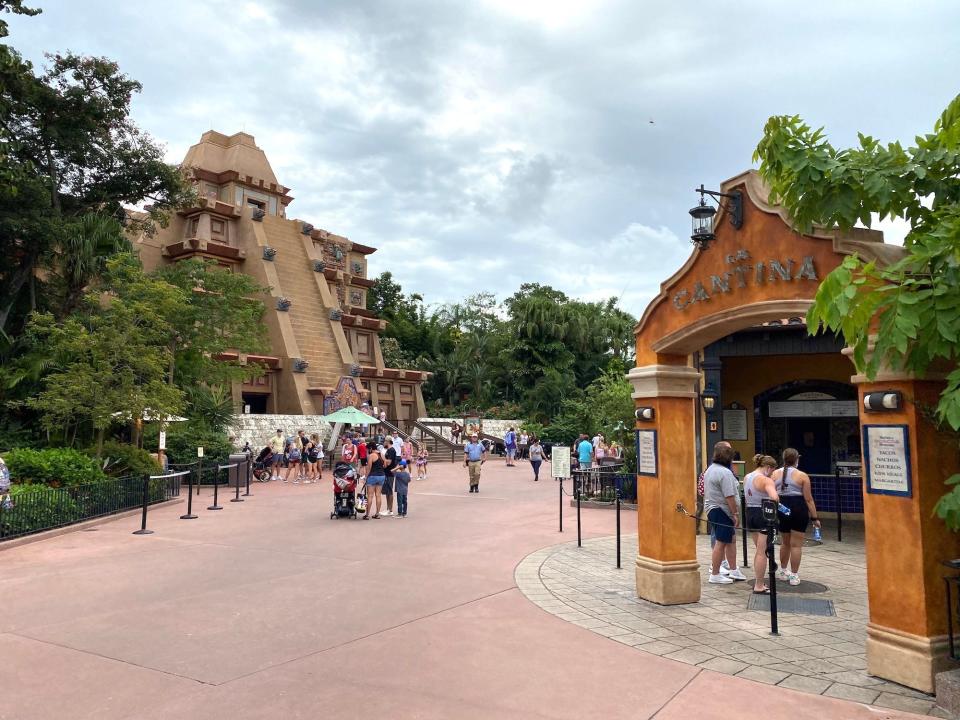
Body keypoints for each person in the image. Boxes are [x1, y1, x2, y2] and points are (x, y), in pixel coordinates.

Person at [773, 448, 821, 586]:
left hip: (781, 507)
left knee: (785, 542)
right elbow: (809, 499)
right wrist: (815, 518)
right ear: (796, 459)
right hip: (798, 508)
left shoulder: (775, 474)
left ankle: (782, 571)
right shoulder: (802, 476)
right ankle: (794, 575)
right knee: (796, 545)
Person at [703, 441, 747, 584]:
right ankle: (715, 574)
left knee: (731, 540)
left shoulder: (710, 469)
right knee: (721, 542)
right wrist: (735, 514)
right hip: (721, 510)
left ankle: (733, 570)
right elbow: (729, 496)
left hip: (714, 509)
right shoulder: (725, 473)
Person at [744, 454, 779, 593]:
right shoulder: (765, 480)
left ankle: (760, 582)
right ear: (768, 468)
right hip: (763, 514)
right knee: (762, 552)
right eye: (772, 471)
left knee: (759, 550)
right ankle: (759, 585)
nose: (772, 474)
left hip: (750, 513)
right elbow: (774, 497)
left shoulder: (747, 477)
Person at [363, 441, 385, 519]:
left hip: (373, 476)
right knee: (378, 495)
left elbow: (369, 467)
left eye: (368, 449)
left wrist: (365, 477)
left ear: (371, 448)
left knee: (370, 496)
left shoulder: (371, 455)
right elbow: (385, 465)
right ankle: (377, 514)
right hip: (382, 476)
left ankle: (367, 514)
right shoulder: (381, 454)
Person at [382, 435, 398, 516]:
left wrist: (383, 460)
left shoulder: (391, 450)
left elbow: (389, 462)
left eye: (385, 441)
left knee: (389, 490)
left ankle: (390, 510)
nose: (384, 442)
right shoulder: (388, 450)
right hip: (386, 472)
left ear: (387, 441)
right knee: (387, 491)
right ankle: (388, 508)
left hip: (390, 473)